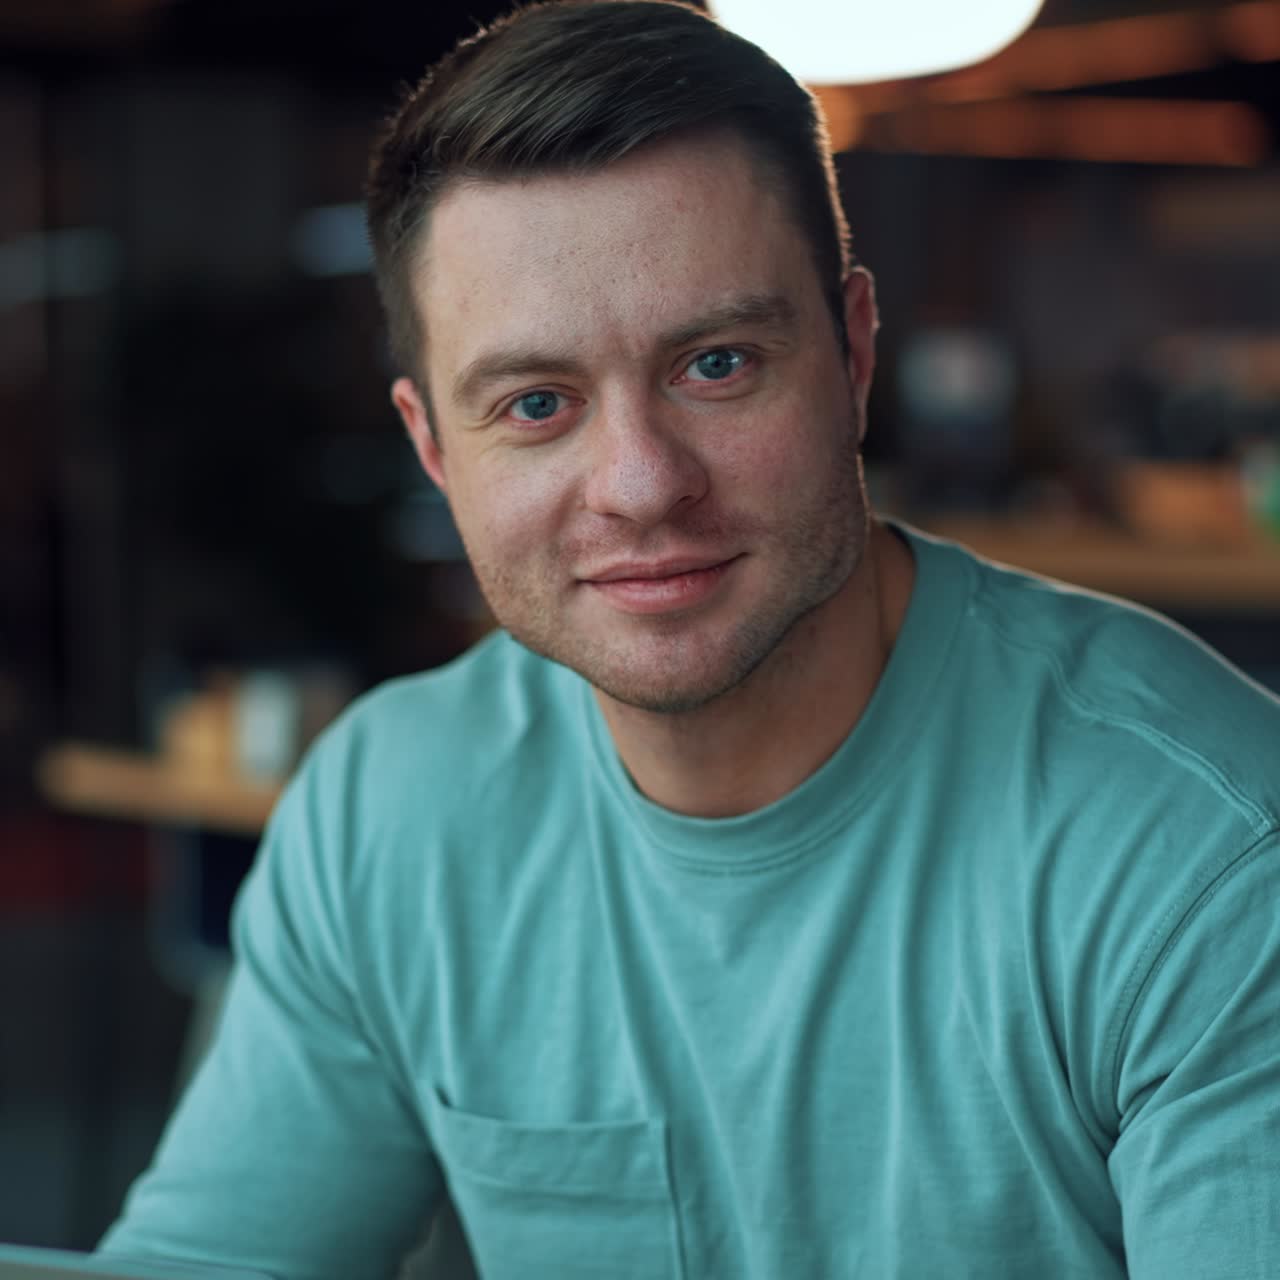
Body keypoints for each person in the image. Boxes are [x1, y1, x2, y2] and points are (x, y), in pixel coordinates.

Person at [101, 2, 1280, 1277]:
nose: (640, 483)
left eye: (714, 364)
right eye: (537, 403)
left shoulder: (1203, 850)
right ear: (433, 447)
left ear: (852, 352)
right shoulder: (388, 815)